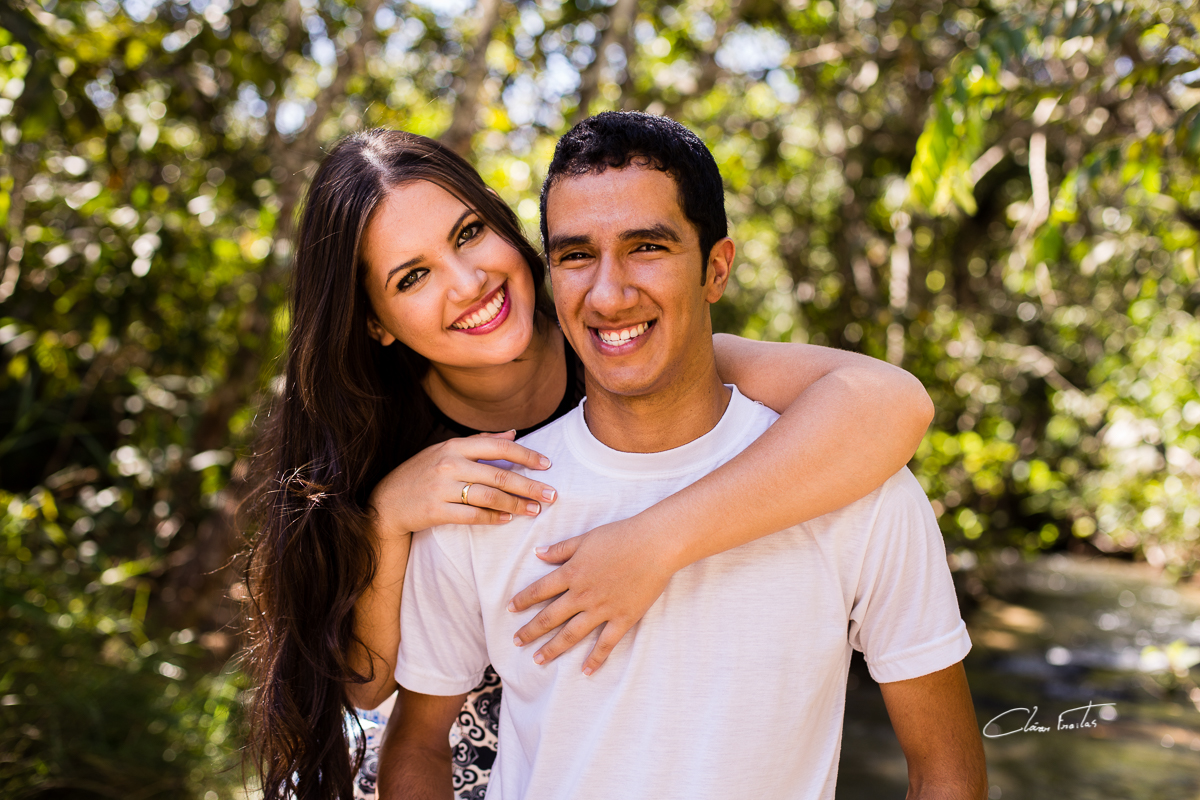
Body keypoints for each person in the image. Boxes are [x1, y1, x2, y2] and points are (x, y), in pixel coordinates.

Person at [243, 127, 936, 800]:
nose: (468, 281)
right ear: (376, 321)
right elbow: (364, 685)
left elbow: (889, 405)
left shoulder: (620, 345)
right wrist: (388, 517)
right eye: (415, 275)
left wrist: (653, 543)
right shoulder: (373, 439)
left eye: (468, 234)